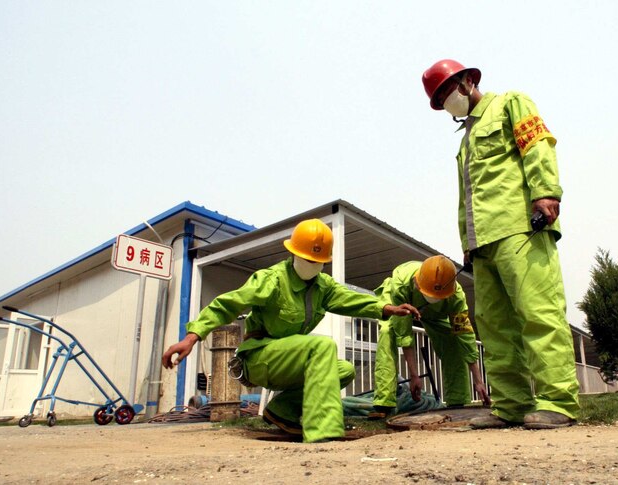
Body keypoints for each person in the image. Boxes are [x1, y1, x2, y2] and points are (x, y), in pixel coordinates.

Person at [420, 59, 580, 429]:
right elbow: (467, 197)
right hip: (482, 244)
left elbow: (538, 145)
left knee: (538, 313)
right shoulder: (465, 142)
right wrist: (467, 244)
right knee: (493, 327)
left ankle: (558, 401)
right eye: (439, 97)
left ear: (466, 81)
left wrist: (545, 192)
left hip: (519, 229)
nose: (447, 100)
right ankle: (510, 404)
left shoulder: (510, 103)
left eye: (447, 90)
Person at [162, 219, 420, 443]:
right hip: (259, 357)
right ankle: (324, 431)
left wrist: (388, 307)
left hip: (290, 358)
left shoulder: (323, 286)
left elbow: (353, 300)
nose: (311, 264)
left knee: (344, 370)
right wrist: (192, 336)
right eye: (307, 258)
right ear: (293, 253)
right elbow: (228, 304)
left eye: (318, 260)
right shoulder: (272, 279)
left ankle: (282, 410)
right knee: (322, 346)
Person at [371, 256, 490, 418]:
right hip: (398, 304)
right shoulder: (401, 284)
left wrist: (478, 379)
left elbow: (464, 334)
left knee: (453, 341)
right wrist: (414, 375)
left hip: (435, 314)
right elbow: (404, 334)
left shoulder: (456, 296)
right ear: (417, 283)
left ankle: (457, 401)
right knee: (387, 332)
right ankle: (383, 404)